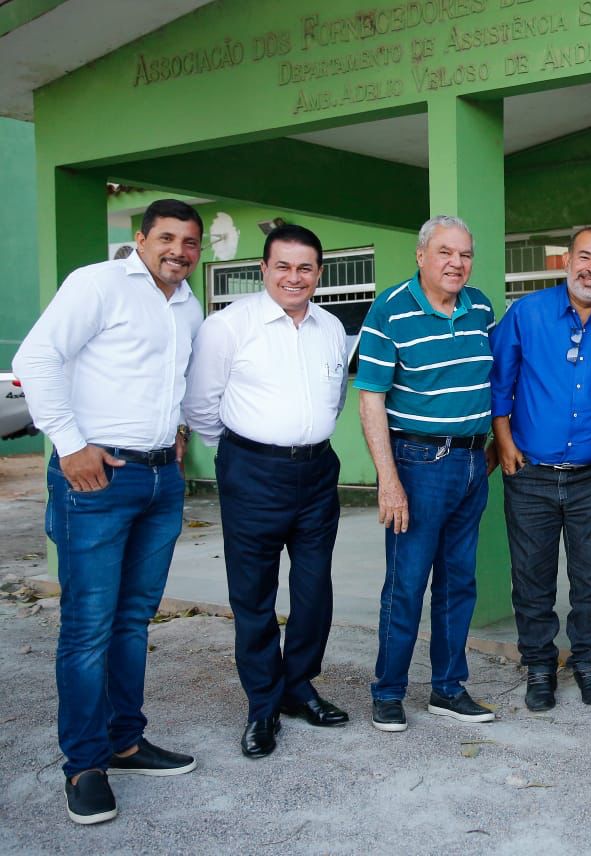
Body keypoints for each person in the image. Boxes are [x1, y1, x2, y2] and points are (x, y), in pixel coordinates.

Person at [14, 199, 204, 825]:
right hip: (97, 477)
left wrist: (176, 437)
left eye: (191, 242)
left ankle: (125, 740)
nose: (179, 250)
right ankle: (84, 765)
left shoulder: (187, 306)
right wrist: (69, 445)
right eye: (168, 238)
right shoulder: (97, 284)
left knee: (133, 621)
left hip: (157, 479)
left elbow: (170, 385)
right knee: (89, 627)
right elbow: (35, 360)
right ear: (142, 237)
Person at [183, 224, 350, 759]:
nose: (294, 277)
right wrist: (238, 455)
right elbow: (201, 405)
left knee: (313, 590)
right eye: (283, 266)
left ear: (319, 274)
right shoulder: (228, 326)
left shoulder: (330, 328)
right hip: (252, 472)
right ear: (264, 269)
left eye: (305, 268)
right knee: (253, 595)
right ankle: (262, 703)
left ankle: (299, 688)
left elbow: (336, 396)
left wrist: (304, 437)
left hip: (318, 473)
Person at [356, 215, 497, 732]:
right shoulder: (390, 311)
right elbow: (370, 399)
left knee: (459, 583)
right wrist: (388, 481)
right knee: (407, 583)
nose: (456, 263)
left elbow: (493, 375)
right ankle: (388, 691)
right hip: (416, 466)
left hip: (471, 462)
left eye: (464, 254)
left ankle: (447, 688)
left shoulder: (480, 306)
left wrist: (491, 449)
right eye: (445, 252)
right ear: (421, 256)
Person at [490, 227, 591, 712]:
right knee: (531, 575)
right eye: (585, 257)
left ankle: (588, 660)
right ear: (567, 260)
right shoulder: (527, 313)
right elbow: (500, 383)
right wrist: (504, 442)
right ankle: (538, 665)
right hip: (529, 472)